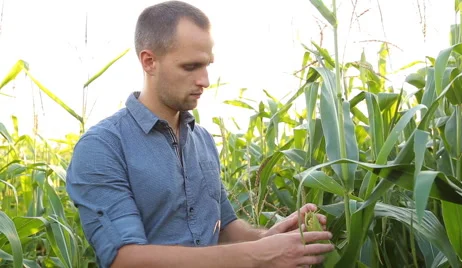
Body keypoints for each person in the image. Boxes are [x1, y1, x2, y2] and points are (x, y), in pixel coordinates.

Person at [66, 1, 334, 267]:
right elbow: (124, 259)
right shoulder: (103, 147)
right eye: (190, 67)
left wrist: (270, 239)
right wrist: (259, 254)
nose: (205, 80)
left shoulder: (202, 140)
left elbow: (224, 228)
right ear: (149, 62)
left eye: (207, 65)